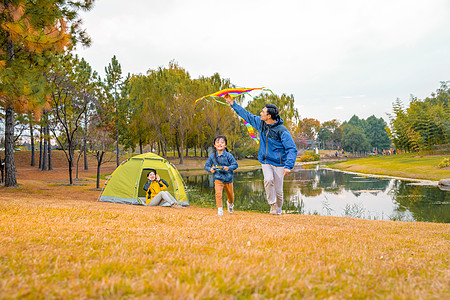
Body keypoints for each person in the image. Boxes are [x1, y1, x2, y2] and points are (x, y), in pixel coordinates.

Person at [224, 94, 297, 215]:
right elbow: (246, 115)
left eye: (263, 111)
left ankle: (278, 212)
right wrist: (232, 103)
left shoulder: (282, 131)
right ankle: (272, 205)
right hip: (265, 160)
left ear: (269, 116)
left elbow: (291, 149)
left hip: (279, 163)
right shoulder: (261, 123)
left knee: (279, 190)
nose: (260, 113)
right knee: (268, 180)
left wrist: (288, 166)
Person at [204, 135, 238, 216]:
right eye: (218, 142)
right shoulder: (212, 156)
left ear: (225, 145)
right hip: (218, 178)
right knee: (218, 194)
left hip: (228, 179)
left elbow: (235, 165)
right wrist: (210, 169)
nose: (220, 144)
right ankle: (220, 211)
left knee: (231, 196)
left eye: (222, 142)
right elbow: (206, 166)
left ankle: (230, 203)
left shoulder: (229, 156)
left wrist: (228, 168)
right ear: (215, 145)